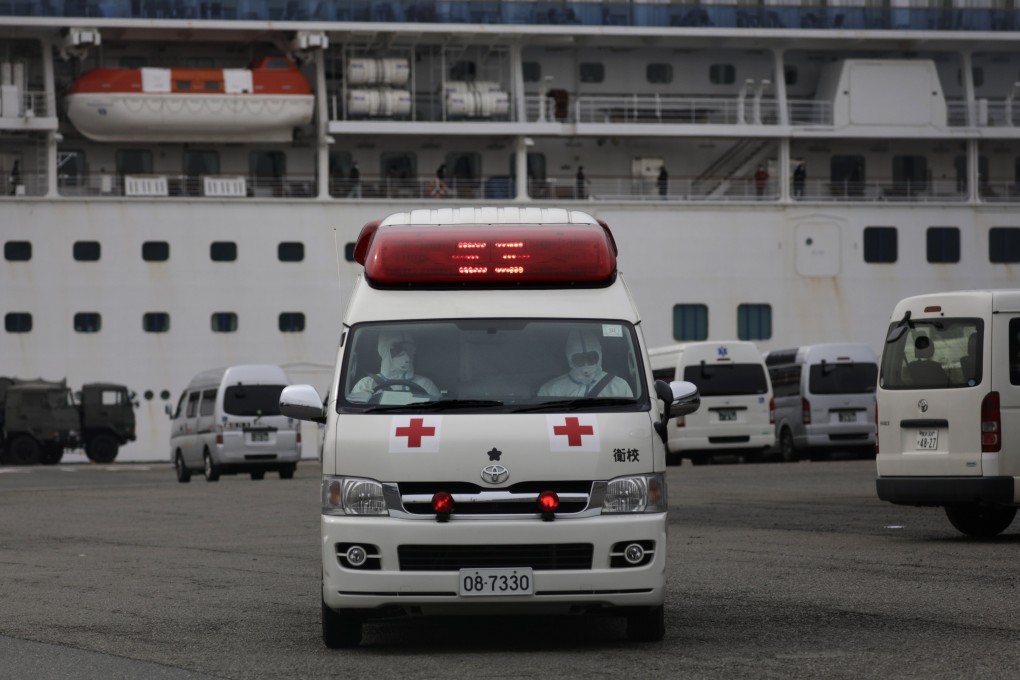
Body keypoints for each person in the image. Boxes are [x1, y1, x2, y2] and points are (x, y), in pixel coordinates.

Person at [538, 329, 633, 398]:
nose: (586, 364)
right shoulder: (551, 390)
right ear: (570, 360)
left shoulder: (619, 386)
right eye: (579, 359)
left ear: (599, 356)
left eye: (591, 357)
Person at [352, 331, 440, 398]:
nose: (407, 358)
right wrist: (363, 399)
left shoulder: (425, 384)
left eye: (410, 350)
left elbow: (438, 414)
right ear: (384, 350)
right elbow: (354, 416)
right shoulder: (366, 384)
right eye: (398, 350)